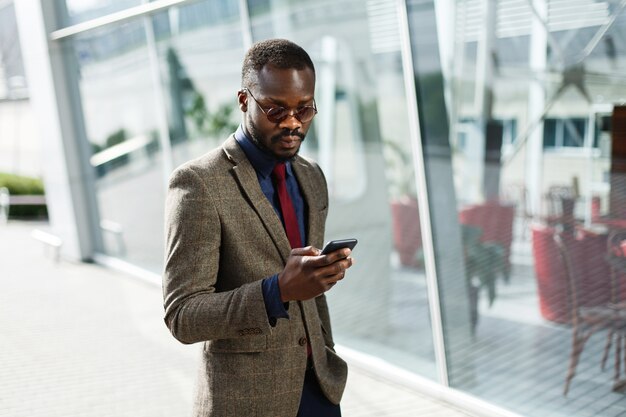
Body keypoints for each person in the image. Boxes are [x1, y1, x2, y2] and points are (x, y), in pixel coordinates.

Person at [163, 38, 354, 417]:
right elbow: (182, 315)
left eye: (305, 109)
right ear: (243, 100)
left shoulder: (312, 177)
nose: (292, 122)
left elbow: (312, 297)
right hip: (246, 401)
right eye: (275, 109)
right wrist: (276, 291)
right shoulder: (198, 184)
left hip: (319, 388)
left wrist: (324, 277)